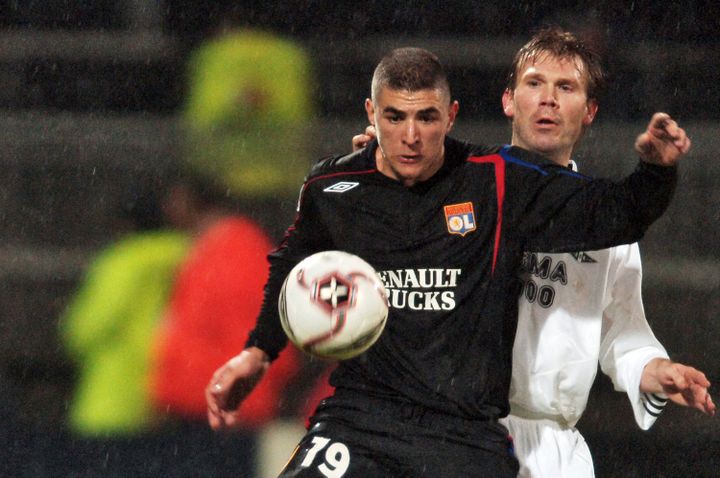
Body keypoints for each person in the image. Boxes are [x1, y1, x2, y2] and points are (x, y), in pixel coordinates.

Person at [206, 46, 689, 477]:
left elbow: (619, 214)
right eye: (395, 118)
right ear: (371, 115)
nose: (411, 136)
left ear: (452, 115)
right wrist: (258, 352)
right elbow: (292, 263)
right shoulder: (331, 188)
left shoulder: (496, 181)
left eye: (427, 118)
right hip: (360, 420)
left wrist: (655, 171)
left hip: (462, 439)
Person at [350, 29, 715, 478]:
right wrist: (381, 183)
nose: (549, 100)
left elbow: (623, 332)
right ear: (509, 100)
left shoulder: (604, 221)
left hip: (555, 450)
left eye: (566, 88)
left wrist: (654, 368)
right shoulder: (453, 189)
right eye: (535, 83)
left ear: (590, 111)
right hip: (456, 433)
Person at [149, 169, 303, 477]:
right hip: (206, 412)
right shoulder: (215, 249)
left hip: (223, 417)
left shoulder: (236, 253)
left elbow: (258, 338)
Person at [58, 171, 191, 473]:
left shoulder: (122, 262)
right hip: (167, 396)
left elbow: (86, 328)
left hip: (113, 397)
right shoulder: (188, 256)